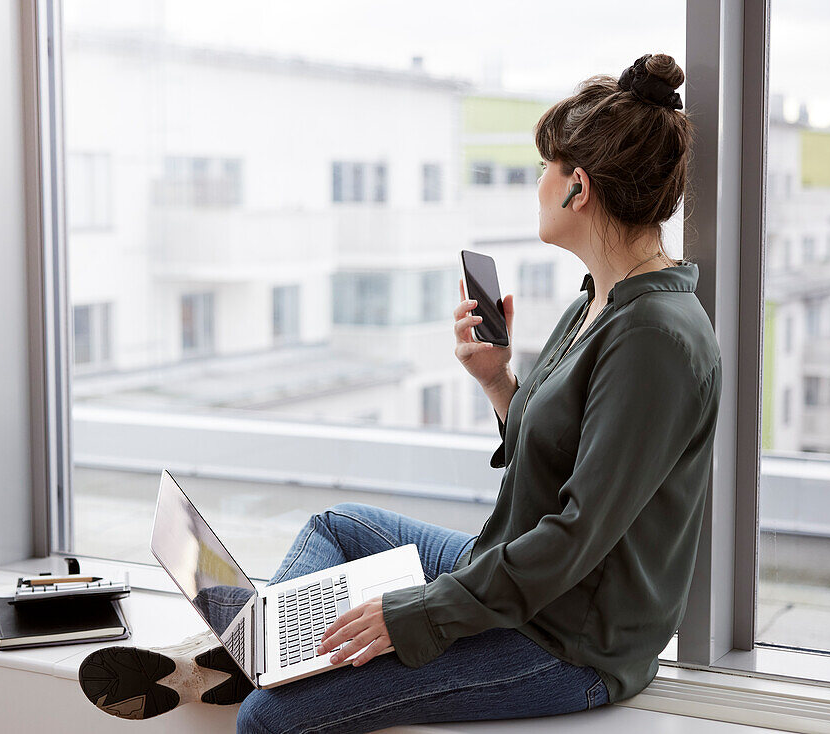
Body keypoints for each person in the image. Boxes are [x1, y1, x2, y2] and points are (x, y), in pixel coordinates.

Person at [78, 52, 722, 733]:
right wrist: (498, 379)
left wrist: (415, 615)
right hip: (520, 581)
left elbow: (575, 536)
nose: (538, 185)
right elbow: (563, 455)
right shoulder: (599, 299)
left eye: (544, 170)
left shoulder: (656, 338)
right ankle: (256, 651)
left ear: (577, 189)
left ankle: (240, 663)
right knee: (339, 527)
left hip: (570, 642)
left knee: (268, 720)